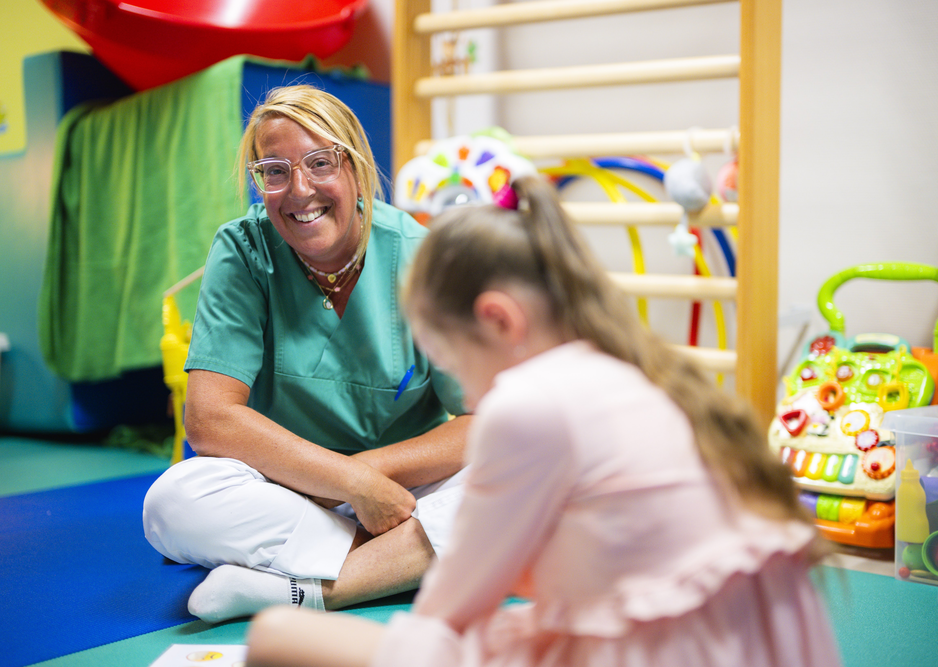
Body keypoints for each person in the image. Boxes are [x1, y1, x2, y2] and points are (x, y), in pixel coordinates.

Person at [242, 175, 843, 667]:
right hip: (737, 636)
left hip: (661, 648)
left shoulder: (527, 403)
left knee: (277, 637)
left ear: (499, 322)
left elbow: (449, 611)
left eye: (454, 361)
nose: (466, 391)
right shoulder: (632, 373)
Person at [142, 84, 472, 623]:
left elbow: (483, 423)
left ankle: (314, 589)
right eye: (274, 170)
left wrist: (369, 476)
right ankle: (402, 561)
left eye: (321, 163)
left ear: (356, 167)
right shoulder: (243, 251)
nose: (299, 190)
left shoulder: (426, 258)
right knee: (171, 503)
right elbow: (209, 420)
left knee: (529, 466)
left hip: (405, 492)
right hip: (289, 494)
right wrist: (348, 485)